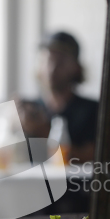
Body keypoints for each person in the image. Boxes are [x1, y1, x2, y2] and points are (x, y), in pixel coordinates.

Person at [18, 31, 99, 164]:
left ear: (76, 67)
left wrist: (45, 133)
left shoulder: (92, 110)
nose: (52, 68)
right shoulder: (29, 110)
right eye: (47, 61)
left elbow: (94, 157)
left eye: (60, 62)